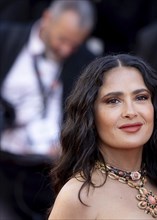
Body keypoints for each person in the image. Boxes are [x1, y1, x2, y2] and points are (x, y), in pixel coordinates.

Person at [48, 54, 157, 219]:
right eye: (113, 101)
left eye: (141, 97)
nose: (130, 112)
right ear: (90, 114)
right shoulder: (78, 196)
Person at [0, 0, 97, 219]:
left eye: (74, 45)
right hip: (4, 161)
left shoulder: (85, 61)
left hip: (48, 170)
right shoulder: (5, 39)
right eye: (62, 39)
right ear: (46, 19)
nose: (65, 49)